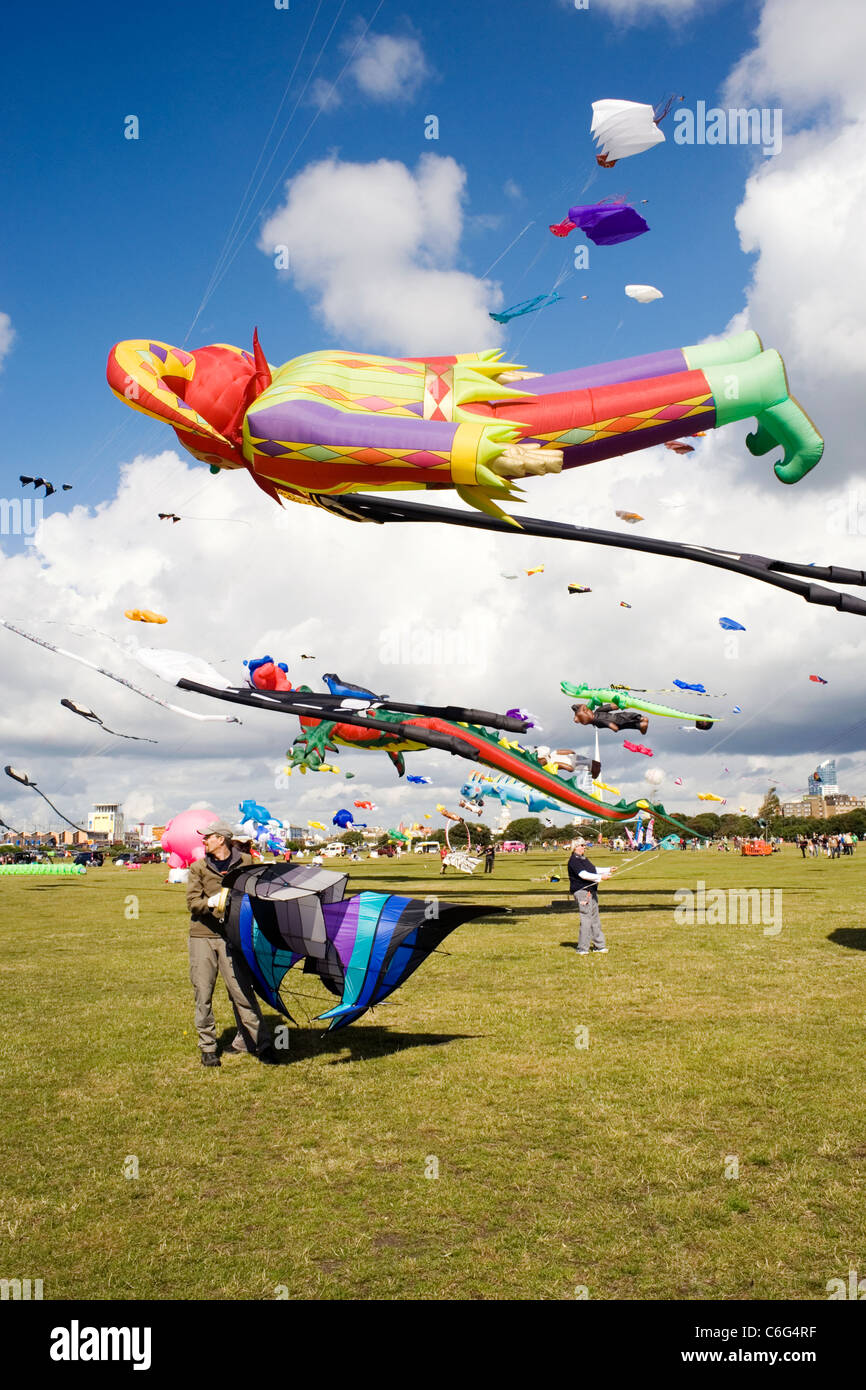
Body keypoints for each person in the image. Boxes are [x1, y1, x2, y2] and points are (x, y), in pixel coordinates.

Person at [186, 820, 279, 1067]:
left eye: (207, 837)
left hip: (233, 936)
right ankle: (208, 1048)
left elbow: (256, 893)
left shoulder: (246, 862)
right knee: (203, 993)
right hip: (203, 936)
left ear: (221, 839)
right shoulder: (198, 867)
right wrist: (211, 903)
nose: (203, 841)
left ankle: (262, 1045)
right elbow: (192, 903)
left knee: (242, 993)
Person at [567, 836, 615, 954]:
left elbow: (593, 869)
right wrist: (600, 878)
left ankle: (599, 946)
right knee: (586, 919)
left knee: (595, 919)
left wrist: (608, 869)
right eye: (582, 845)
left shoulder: (583, 859)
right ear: (575, 847)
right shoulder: (574, 860)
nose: (584, 848)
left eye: (584, 845)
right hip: (582, 892)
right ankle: (583, 948)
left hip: (592, 891)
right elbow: (583, 874)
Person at [572, 702, 649, 735]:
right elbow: (606, 723)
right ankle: (641, 721)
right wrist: (612, 726)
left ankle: (641, 724)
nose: (587, 711)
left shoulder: (598, 711)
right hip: (618, 720)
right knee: (628, 717)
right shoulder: (596, 720)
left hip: (618, 719)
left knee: (629, 721)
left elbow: (610, 707)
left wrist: (619, 704)